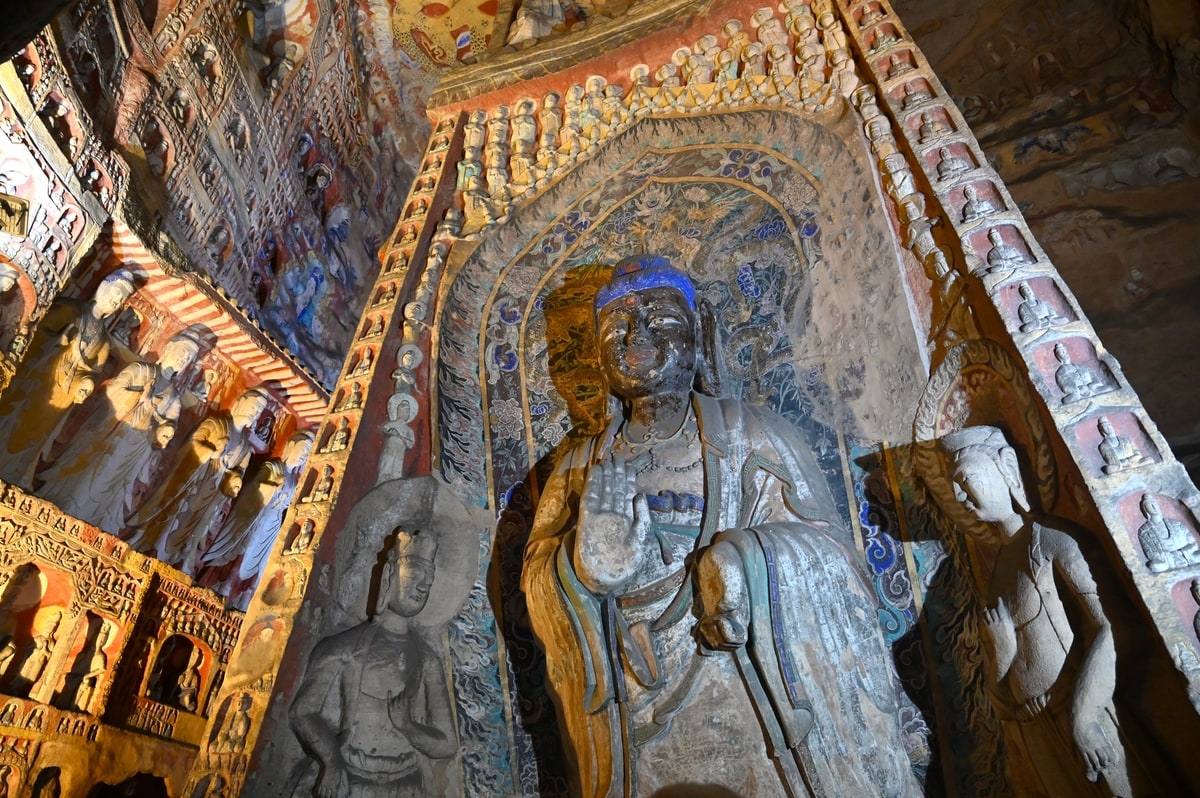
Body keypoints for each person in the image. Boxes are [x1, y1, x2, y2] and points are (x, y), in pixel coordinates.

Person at [523, 255, 918, 797]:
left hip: (746, 682)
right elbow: (537, 575)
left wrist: (743, 565)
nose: (637, 335)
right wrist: (581, 569)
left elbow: (834, 558)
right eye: (617, 326)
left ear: (699, 333)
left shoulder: (752, 435)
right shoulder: (576, 468)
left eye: (660, 317)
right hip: (629, 711)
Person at [939, 426, 1133, 796]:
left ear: (1006, 468)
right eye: (953, 488)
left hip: (1083, 717)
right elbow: (999, 701)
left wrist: (1083, 717)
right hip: (1036, 732)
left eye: (965, 478)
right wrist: (1003, 654)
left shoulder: (1050, 541)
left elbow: (1109, 628)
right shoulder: (995, 578)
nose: (959, 495)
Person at [291, 528, 457, 797]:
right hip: (352, 779)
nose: (422, 587)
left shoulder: (427, 660)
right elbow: (302, 712)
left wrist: (408, 726)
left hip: (407, 784)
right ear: (390, 575)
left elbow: (447, 744)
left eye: (429, 582)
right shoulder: (344, 648)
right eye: (415, 576)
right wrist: (331, 760)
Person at [0, 269, 137, 485]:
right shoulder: (71, 310)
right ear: (103, 287)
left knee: (36, 434)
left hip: (63, 394)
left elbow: (95, 371)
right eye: (116, 293)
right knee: (13, 418)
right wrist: (61, 340)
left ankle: (12, 473)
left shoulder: (103, 340)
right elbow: (38, 330)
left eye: (121, 300)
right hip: (37, 380)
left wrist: (87, 382)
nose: (116, 301)